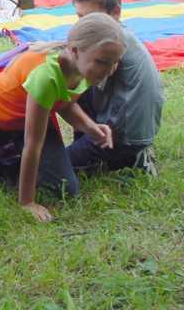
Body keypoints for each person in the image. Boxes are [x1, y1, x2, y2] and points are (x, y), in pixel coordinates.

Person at [17, 13, 125, 222]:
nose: (110, 70)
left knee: (67, 187)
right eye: (102, 62)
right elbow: (32, 143)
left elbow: (64, 104)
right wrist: (27, 201)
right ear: (75, 51)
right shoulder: (46, 76)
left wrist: (91, 128)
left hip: (34, 117)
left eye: (115, 63)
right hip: (3, 122)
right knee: (62, 185)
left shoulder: (80, 68)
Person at [67, 0, 163, 175]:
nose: (83, 27)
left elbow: (71, 85)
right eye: (80, 18)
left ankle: (128, 157)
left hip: (123, 137)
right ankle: (88, 148)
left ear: (115, 13)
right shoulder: (115, 34)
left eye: (92, 19)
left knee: (57, 165)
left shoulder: (110, 44)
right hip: (127, 127)